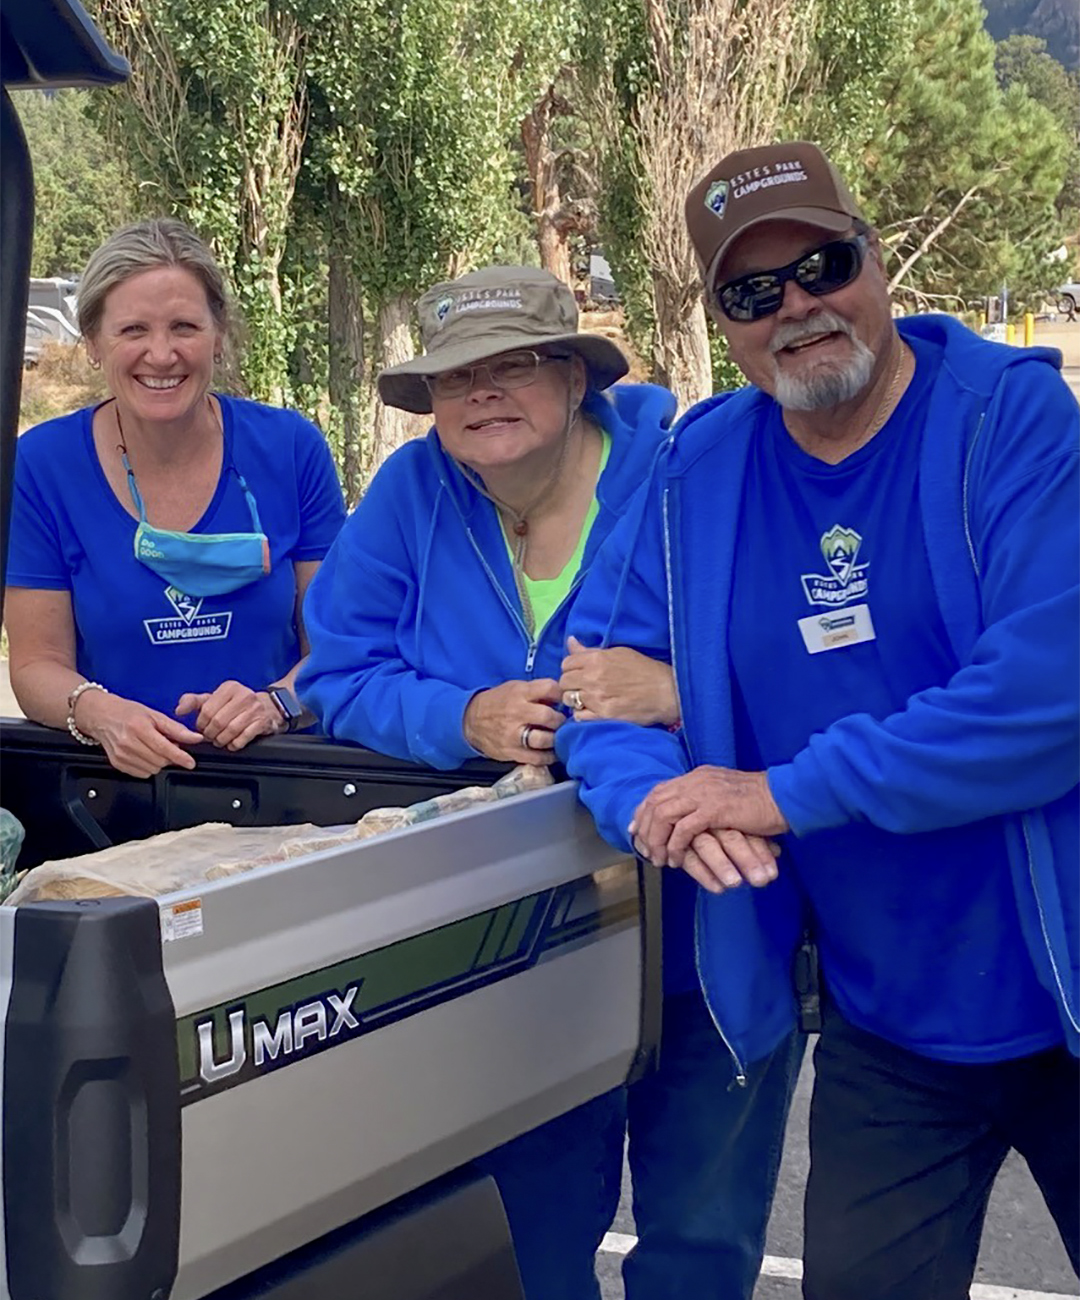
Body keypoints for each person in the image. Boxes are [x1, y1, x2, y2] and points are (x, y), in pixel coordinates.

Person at [557, 140, 1079, 1300]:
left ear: (877, 259)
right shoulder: (698, 467)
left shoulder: (1014, 422)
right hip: (888, 1026)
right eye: (752, 292)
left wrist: (777, 790)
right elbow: (594, 689)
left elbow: (1047, 698)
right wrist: (657, 798)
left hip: (1065, 987)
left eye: (823, 265)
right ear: (723, 319)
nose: (797, 307)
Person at [297, 264, 795, 1300]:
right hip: (509, 936)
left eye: (513, 365)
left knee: (699, 1241)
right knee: (526, 1240)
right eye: (452, 378)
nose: (481, 394)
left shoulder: (687, 472)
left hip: (704, 916)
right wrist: (458, 714)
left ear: (576, 376)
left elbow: (807, 656)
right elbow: (338, 672)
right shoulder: (407, 493)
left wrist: (683, 690)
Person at [5, 218, 345, 778]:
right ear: (92, 343)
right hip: (116, 791)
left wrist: (277, 703)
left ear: (218, 335)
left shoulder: (289, 449)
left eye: (184, 327)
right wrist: (99, 713)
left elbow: (339, 642)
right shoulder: (43, 466)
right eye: (132, 330)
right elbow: (38, 664)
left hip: (281, 778)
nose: (161, 355)